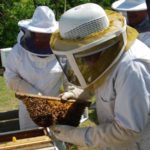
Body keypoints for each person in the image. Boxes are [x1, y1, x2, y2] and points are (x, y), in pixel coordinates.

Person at [49, 3, 150, 150]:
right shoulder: (107, 54)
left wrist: (72, 135)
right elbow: (100, 80)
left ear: (100, 43)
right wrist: (78, 94)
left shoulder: (132, 68)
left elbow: (128, 131)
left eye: (83, 53)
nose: (83, 60)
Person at [4, 6, 67, 150]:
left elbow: (69, 77)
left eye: (47, 35)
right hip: (28, 110)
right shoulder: (18, 52)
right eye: (39, 34)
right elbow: (10, 77)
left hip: (54, 109)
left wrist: (70, 93)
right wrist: (33, 93)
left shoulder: (61, 52)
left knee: (56, 143)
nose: (42, 38)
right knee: (30, 143)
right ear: (31, 32)